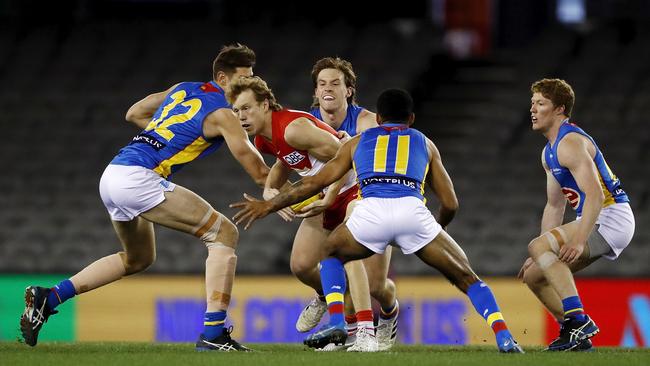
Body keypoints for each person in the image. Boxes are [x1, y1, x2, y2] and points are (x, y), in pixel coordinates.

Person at [230, 88, 524, 353]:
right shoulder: (424, 142)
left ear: (379, 117)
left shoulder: (358, 142)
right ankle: (504, 338)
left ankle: (337, 323)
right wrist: (439, 226)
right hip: (413, 211)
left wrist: (268, 206)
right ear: (410, 118)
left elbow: (312, 183)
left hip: (371, 213)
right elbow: (450, 203)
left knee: (330, 254)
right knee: (467, 278)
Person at [20, 44, 269, 352]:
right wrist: (294, 195)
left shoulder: (183, 89)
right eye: (243, 78)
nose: (247, 85)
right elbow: (258, 171)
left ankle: (50, 297)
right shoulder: (223, 112)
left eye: (252, 78)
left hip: (113, 173)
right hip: (139, 177)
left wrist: (165, 136)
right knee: (224, 233)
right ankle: (214, 334)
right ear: (222, 77)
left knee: (138, 258)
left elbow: (134, 112)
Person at [227, 76, 378, 352]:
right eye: (236, 111)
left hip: (354, 188)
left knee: (348, 256)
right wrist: (270, 189)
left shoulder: (294, 128)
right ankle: (328, 300)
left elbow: (346, 156)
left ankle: (364, 332)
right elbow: (286, 161)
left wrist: (330, 196)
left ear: (264, 104)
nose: (241, 117)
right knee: (300, 264)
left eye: (246, 108)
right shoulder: (263, 140)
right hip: (324, 193)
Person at [518, 78, 634, 351]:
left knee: (538, 247)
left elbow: (594, 194)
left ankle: (579, 320)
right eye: (532, 103)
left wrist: (579, 239)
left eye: (541, 104)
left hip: (612, 215)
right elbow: (554, 206)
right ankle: (574, 335)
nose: (532, 110)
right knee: (534, 275)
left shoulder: (570, 141)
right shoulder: (549, 152)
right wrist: (539, 255)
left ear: (559, 109)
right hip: (595, 216)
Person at [306, 57, 398, 351]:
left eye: (335, 83)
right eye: (322, 84)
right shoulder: (307, 123)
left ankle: (389, 311)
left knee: (375, 286)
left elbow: (395, 155)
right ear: (316, 91)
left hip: (371, 201)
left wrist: (354, 147)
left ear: (349, 90)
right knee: (302, 264)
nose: (327, 89)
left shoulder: (367, 122)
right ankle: (346, 325)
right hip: (329, 204)